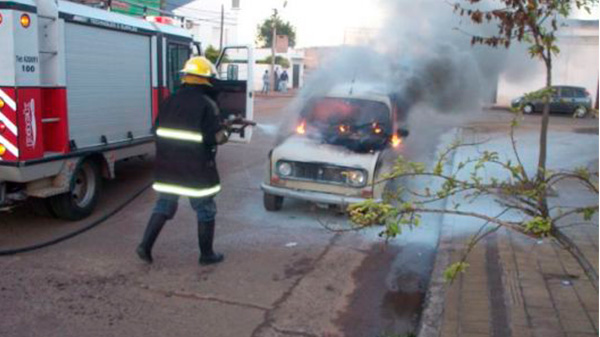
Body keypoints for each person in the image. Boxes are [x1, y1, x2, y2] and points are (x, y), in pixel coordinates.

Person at [136, 56, 230, 266]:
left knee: (164, 205)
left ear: (186, 77)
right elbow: (216, 138)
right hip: (195, 168)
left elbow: (158, 129)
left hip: (167, 165)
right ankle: (207, 255)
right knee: (205, 209)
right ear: (206, 80)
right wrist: (227, 130)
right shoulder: (207, 104)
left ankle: (145, 246)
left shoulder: (170, 100)